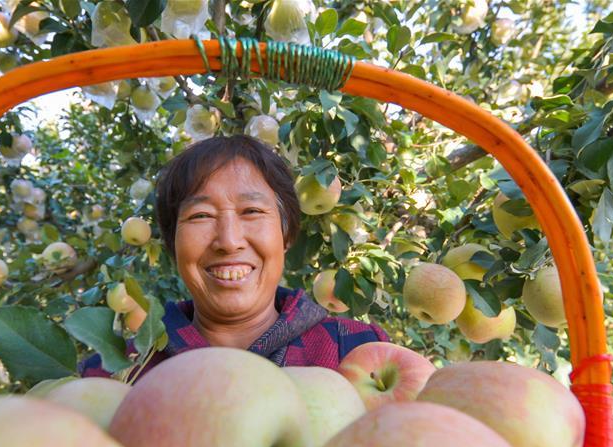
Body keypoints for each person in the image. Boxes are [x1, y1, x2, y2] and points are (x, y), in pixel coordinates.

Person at [79, 134, 388, 379]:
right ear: (174, 243)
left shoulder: (358, 352)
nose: (228, 241)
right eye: (201, 215)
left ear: (287, 235)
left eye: (251, 211)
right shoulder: (114, 374)